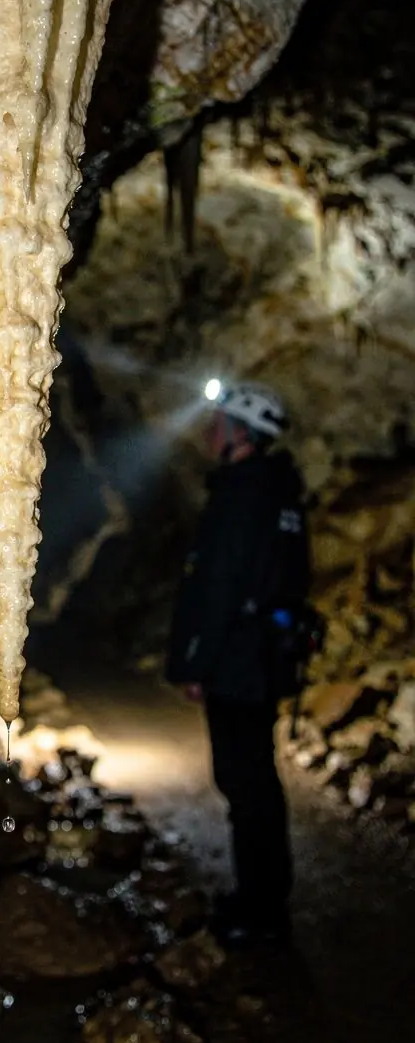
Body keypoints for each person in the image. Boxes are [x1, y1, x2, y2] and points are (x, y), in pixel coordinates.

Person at [166, 381, 310, 946]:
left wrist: (194, 663)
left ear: (240, 436)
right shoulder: (281, 494)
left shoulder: (242, 494)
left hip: (238, 662)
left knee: (245, 781)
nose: (208, 430)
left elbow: (216, 588)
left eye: (219, 422)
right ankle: (264, 894)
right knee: (255, 780)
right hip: (262, 657)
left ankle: (261, 908)